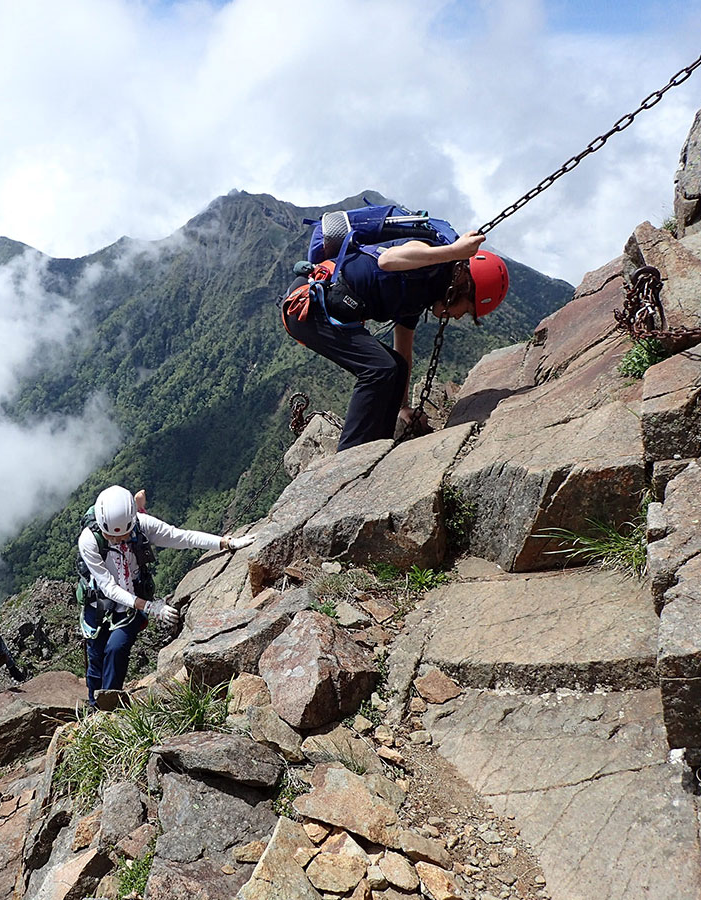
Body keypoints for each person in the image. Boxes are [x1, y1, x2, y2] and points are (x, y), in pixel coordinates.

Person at [282, 214, 509, 451]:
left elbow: (404, 352)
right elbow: (387, 260)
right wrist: (454, 251)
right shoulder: (427, 256)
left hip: (322, 310)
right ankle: (347, 458)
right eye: (468, 309)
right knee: (379, 369)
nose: (460, 316)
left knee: (395, 366)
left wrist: (403, 407)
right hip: (307, 307)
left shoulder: (421, 292)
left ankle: (375, 448)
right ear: (463, 286)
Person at [76, 485, 256, 707]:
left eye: (122, 534)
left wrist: (225, 542)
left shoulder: (142, 526)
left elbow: (180, 537)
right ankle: (94, 705)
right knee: (95, 658)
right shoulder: (89, 540)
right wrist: (152, 607)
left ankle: (106, 709)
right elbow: (109, 586)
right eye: (111, 536)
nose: (118, 540)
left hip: (130, 604)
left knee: (115, 649)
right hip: (100, 603)